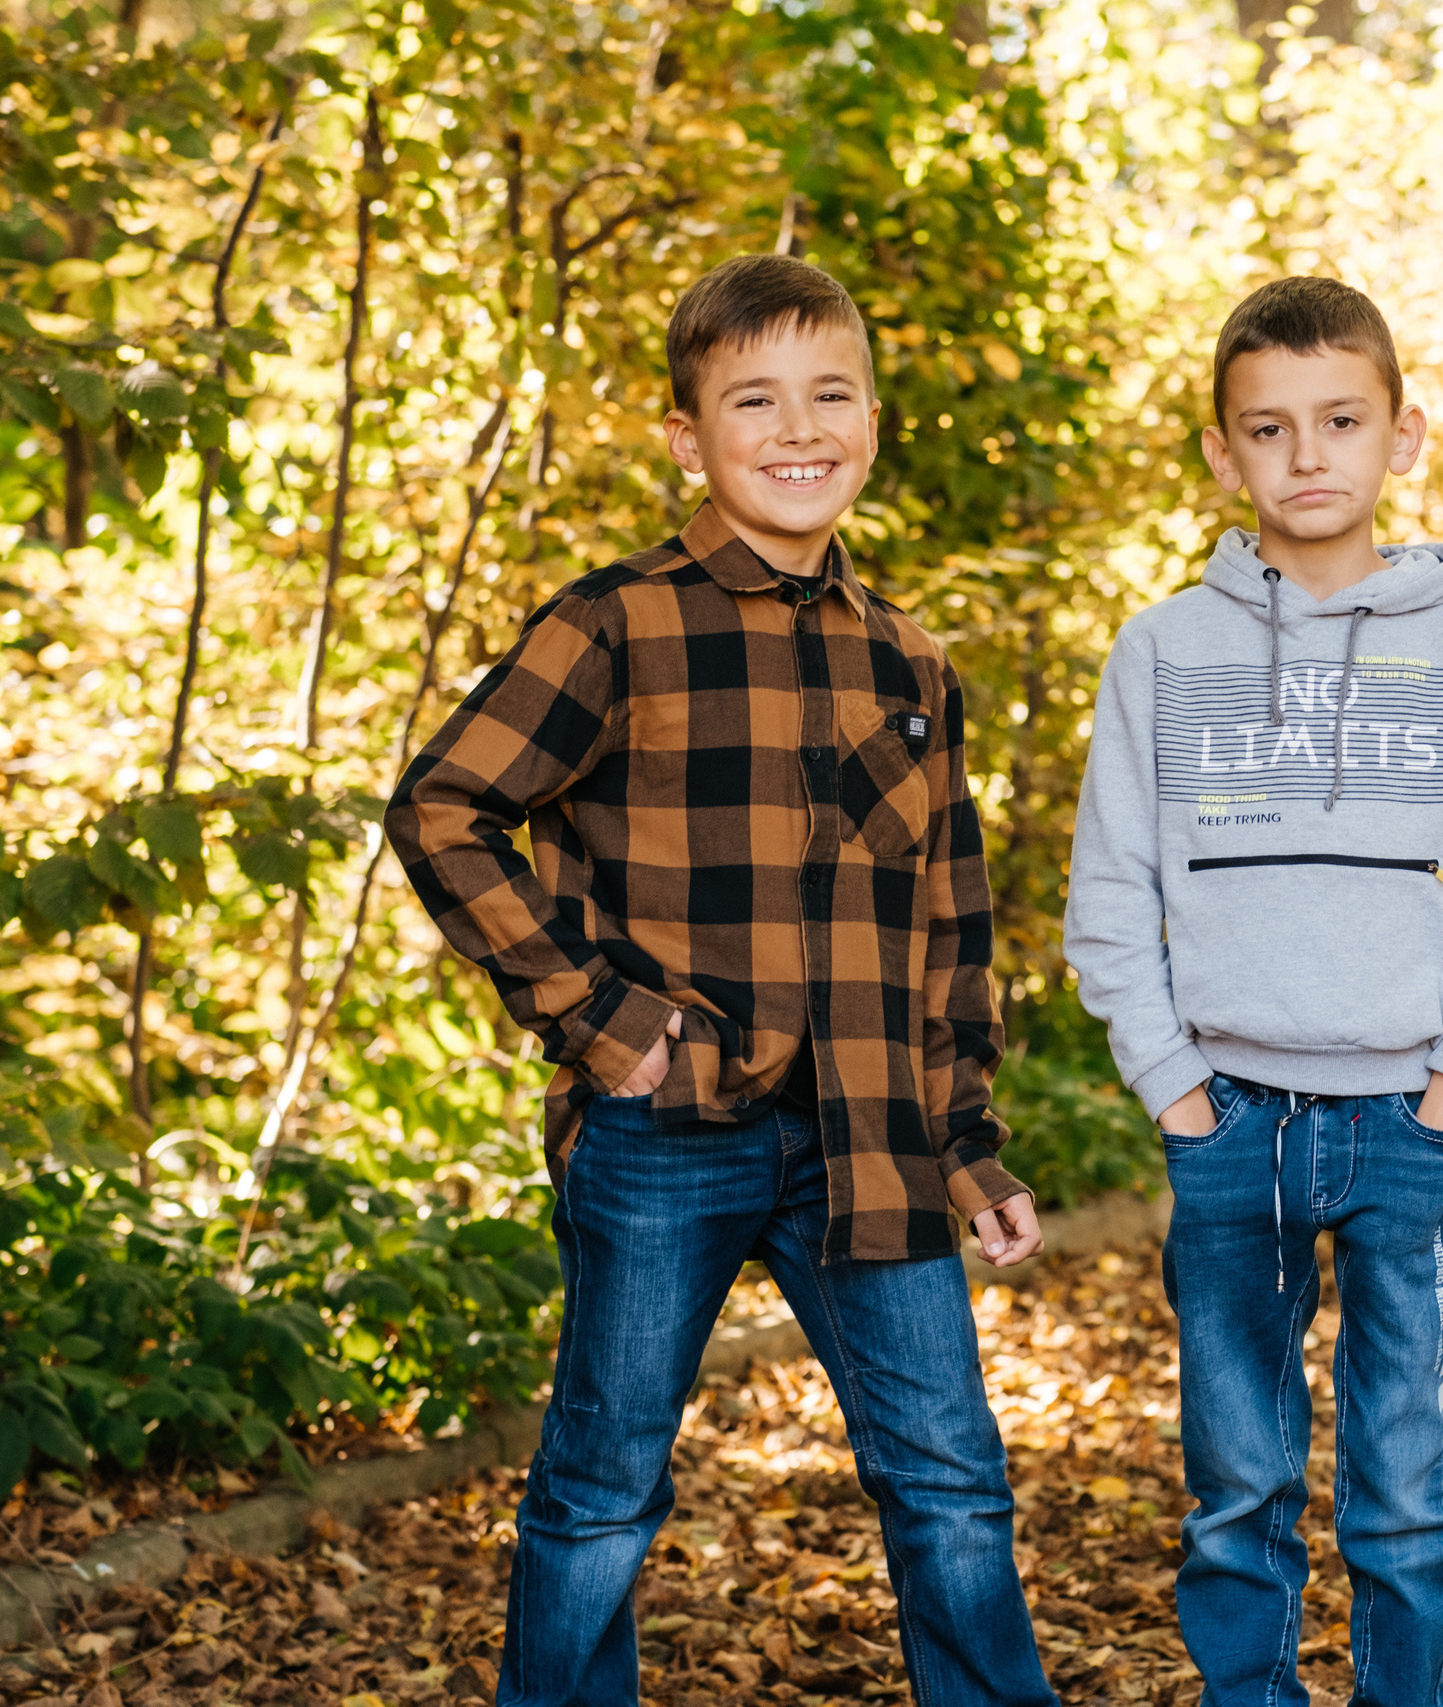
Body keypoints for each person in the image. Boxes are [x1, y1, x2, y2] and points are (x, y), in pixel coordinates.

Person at [386, 253, 1055, 1707]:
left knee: (950, 1480)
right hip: (663, 1132)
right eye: (755, 400)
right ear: (689, 438)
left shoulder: (911, 663)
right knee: (604, 1485)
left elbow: (950, 920)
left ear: (872, 421)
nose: (798, 428)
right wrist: (600, 1022)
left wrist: (967, 1141)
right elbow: (443, 808)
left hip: (871, 1137)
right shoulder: (615, 624)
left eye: (831, 395)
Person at [1063, 276, 1443, 1707]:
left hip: (1408, 1125)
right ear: (1223, 453)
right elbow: (1110, 900)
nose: (1307, 456)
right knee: (1238, 1492)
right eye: (1269, 428)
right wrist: (1178, 1095)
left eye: (1342, 421)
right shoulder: (1164, 652)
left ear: (1402, 437)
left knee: (1406, 1494)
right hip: (1229, 1123)